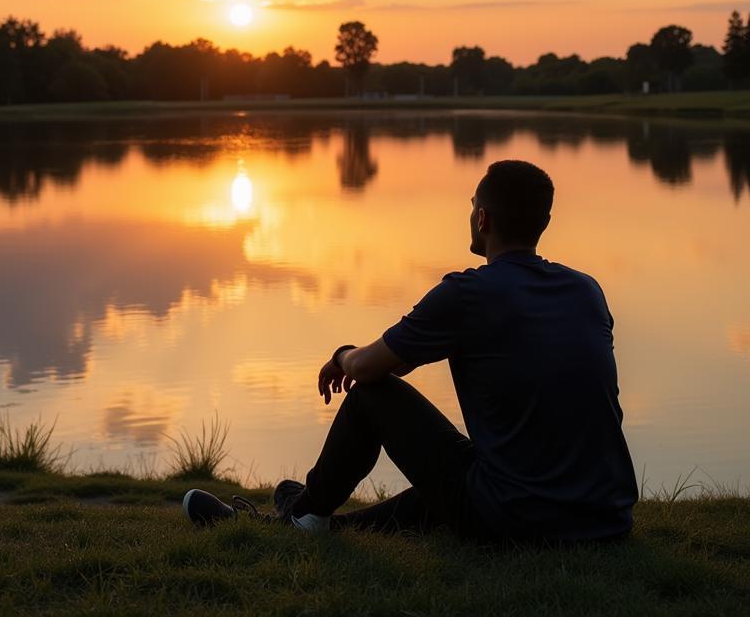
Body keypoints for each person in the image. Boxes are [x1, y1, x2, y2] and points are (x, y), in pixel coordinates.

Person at [183, 159, 638, 542]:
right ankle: (305, 518)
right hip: (606, 518)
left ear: (483, 219)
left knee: (369, 396)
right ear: (544, 222)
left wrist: (342, 354)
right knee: (462, 476)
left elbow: (366, 369)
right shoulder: (586, 291)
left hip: (517, 521)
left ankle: (303, 516)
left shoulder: (467, 294)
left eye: (472, 207)